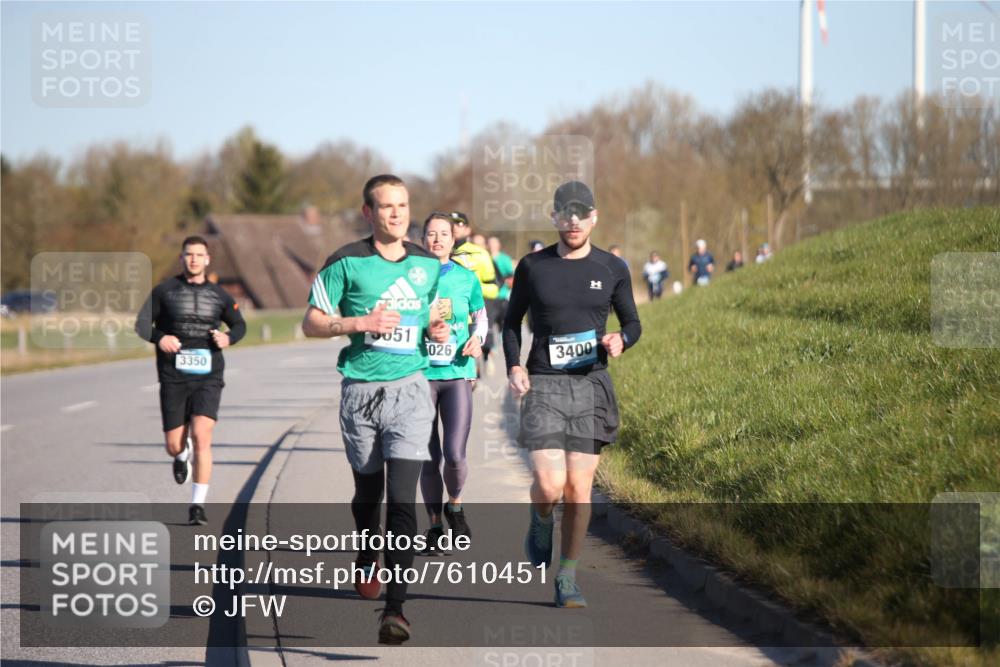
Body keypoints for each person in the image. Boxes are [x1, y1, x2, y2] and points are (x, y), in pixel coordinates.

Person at [301, 174, 450, 645]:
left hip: (411, 391)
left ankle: (396, 608)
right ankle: (368, 556)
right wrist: (359, 322)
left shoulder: (426, 263)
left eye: (403, 205)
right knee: (368, 495)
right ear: (369, 212)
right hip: (361, 394)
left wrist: (437, 329)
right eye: (387, 206)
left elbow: (431, 313)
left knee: (402, 499)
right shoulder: (346, 262)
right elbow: (311, 323)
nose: (397, 214)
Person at [502, 180, 641, 609]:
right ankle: (541, 517)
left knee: (579, 488)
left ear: (594, 218)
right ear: (555, 218)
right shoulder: (532, 266)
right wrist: (514, 365)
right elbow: (511, 323)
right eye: (567, 213)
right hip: (544, 383)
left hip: (591, 385)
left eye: (582, 213)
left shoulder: (612, 267)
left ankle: (567, 577)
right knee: (549, 484)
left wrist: (621, 340)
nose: (574, 221)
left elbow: (632, 323)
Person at [135, 236, 247, 526]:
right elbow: (142, 324)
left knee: (201, 435)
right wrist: (161, 338)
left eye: (199, 255)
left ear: (207, 259)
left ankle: (197, 505)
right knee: (173, 445)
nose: (194, 259)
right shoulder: (164, 291)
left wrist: (228, 338)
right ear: (182, 258)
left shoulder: (220, 295)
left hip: (209, 375)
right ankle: (180, 453)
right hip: (173, 376)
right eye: (189, 254)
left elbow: (239, 325)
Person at [420, 213, 488, 551]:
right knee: (428, 458)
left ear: (453, 239)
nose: (437, 240)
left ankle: (455, 507)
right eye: (431, 234)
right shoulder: (412, 277)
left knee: (455, 455)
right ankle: (434, 527)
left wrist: (478, 339)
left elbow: (481, 318)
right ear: (422, 239)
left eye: (443, 234)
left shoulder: (466, 278)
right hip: (420, 377)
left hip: (457, 373)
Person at [448, 213, 500, 371]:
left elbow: (494, 289)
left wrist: (470, 287)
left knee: (467, 367)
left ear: (468, 229)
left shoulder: (480, 254)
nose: (455, 227)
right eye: (451, 223)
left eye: (460, 224)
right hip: (444, 318)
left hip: (469, 319)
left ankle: (483, 362)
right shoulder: (437, 252)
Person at [487, 235, 515, 332]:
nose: (492, 245)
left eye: (494, 242)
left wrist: (506, 283)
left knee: (504, 328)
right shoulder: (485, 257)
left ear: (499, 244)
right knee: (488, 328)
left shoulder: (504, 259)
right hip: (488, 298)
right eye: (490, 242)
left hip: (503, 296)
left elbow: (512, 277)